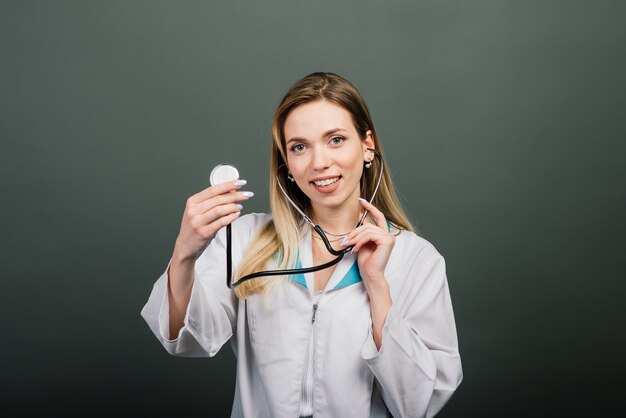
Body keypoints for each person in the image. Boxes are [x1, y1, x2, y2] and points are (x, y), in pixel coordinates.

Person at [141, 72, 462, 418]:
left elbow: (418, 404)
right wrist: (185, 254)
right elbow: (186, 339)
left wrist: (377, 286)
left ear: (368, 146)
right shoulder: (245, 239)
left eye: (336, 139)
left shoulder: (416, 260)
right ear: (287, 165)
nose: (319, 162)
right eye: (299, 147)